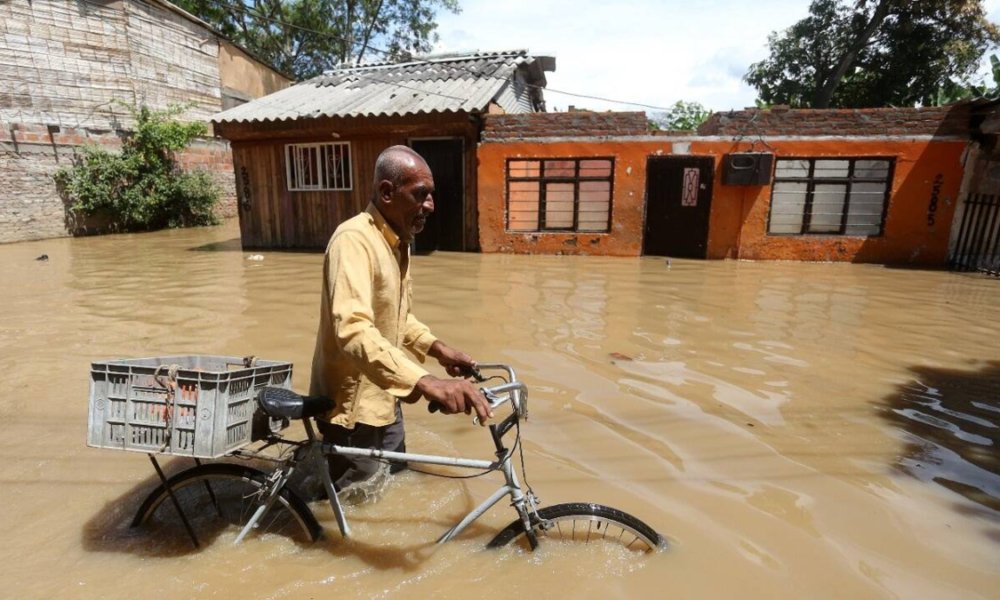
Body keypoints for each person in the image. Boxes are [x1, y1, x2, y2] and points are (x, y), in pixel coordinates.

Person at [309, 145, 492, 497]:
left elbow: (397, 317)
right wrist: (426, 381)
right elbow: (353, 330)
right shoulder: (353, 241)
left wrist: (438, 350)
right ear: (387, 192)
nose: (430, 205)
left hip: (387, 394)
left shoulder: (397, 242)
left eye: (431, 195)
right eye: (420, 194)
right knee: (349, 502)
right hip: (353, 408)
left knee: (393, 481)